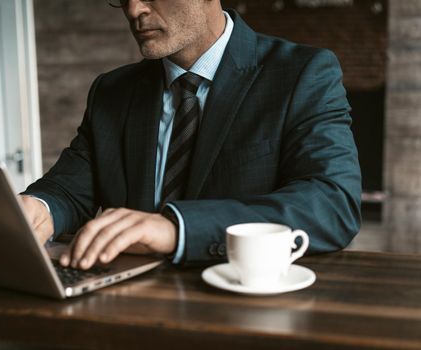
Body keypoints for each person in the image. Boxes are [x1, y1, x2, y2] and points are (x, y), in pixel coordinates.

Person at [20, 0, 361, 269]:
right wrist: (39, 207)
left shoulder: (303, 73)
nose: (133, 10)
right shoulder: (112, 91)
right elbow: (70, 187)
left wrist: (176, 229)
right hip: (124, 309)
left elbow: (332, 204)